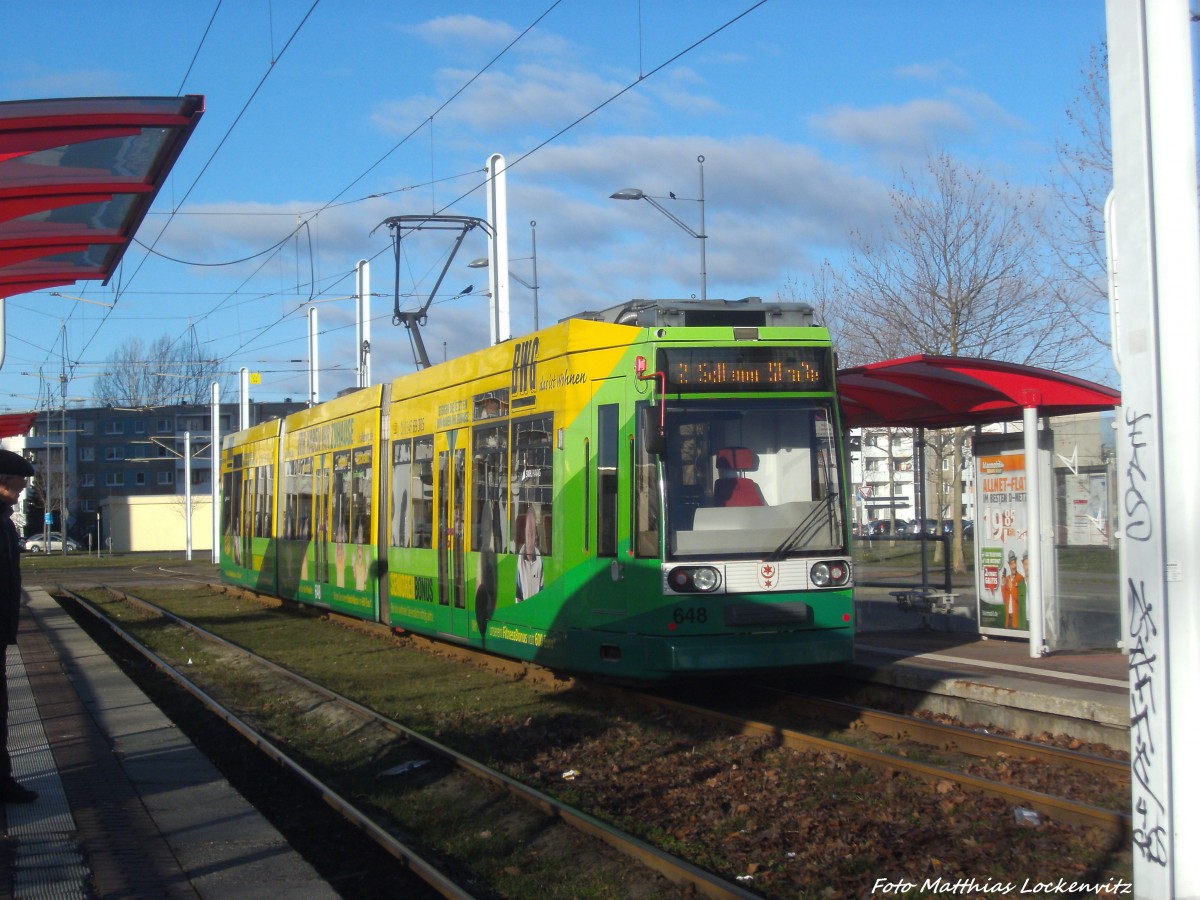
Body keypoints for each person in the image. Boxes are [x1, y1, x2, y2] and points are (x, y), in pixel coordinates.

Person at [0, 448, 37, 803]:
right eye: (20, 482)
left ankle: (3, 780)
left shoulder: (6, 523)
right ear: (3, 483)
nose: (25, 487)